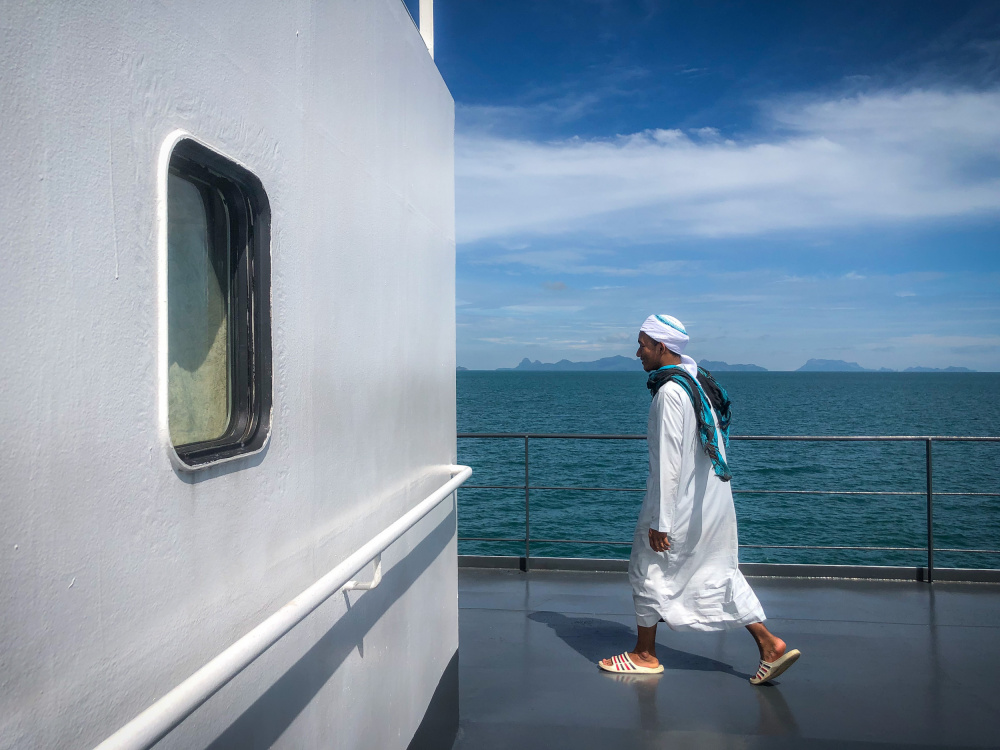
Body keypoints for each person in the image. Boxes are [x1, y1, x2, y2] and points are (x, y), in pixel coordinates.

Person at [599, 314, 800, 685]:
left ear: (661, 347)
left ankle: (644, 654)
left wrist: (661, 520)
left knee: (645, 569)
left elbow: (668, 461)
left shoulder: (671, 392)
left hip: (677, 504)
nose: (637, 352)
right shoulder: (699, 381)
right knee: (717, 571)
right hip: (712, 502)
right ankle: (770, 645)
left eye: (642, 344)